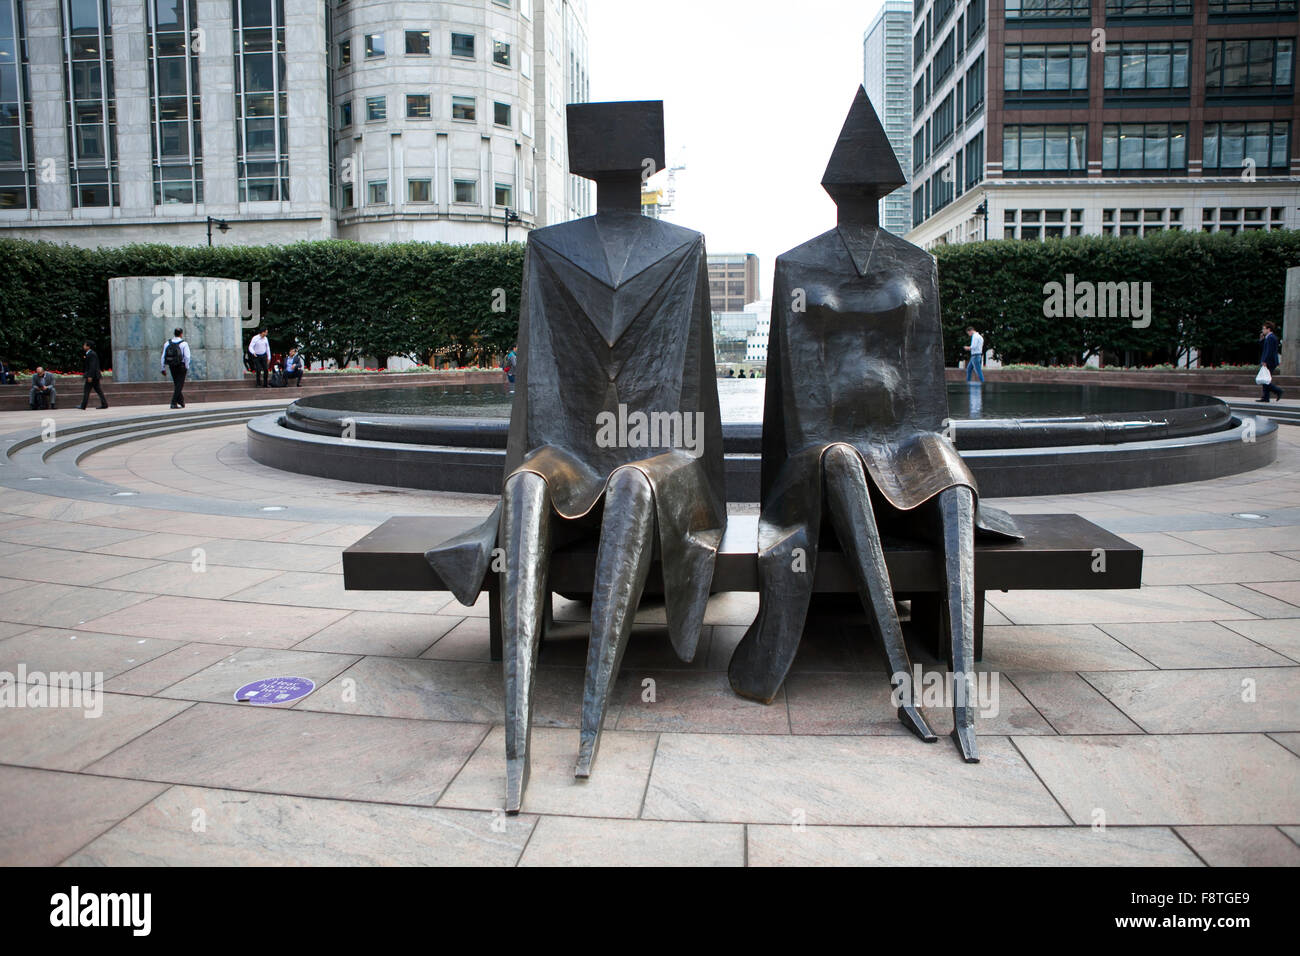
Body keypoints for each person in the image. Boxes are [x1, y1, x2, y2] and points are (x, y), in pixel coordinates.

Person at [160, 327, 191, 408]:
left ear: (174, 333)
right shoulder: (184, 343)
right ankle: (173, 402)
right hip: (181, 366)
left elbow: (163, 356)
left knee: (177, 384)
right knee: (179, 384)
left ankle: (181, 401)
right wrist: (186, 366)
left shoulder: (167, 343)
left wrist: (163, 368)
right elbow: (187, 357)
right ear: (181, 334)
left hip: (172, 365)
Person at [1257, 320, 1284, 403]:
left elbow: (1269, 351)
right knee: (1265, 379)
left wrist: (1265, 361)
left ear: (1269, 329)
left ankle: (1278, 391)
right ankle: (1266, 397)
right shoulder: (1268, 337)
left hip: (1269, 362)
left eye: (1264, 329)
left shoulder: (1271, 338)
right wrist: (1261, 340)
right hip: (1268, 361)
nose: (1263, 330)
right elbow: (1264, 348)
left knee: (1265, 380)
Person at [78, 341, 108, 409]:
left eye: (85, 345)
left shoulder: (92, 354)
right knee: (98, 390)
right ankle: (104, 404)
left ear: (88, 347)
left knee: (87, 390)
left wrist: (90, 376)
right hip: (94, 376)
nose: (83, 346)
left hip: (92, 376)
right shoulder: (89, 354)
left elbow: (92, 366)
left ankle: (83, 405)